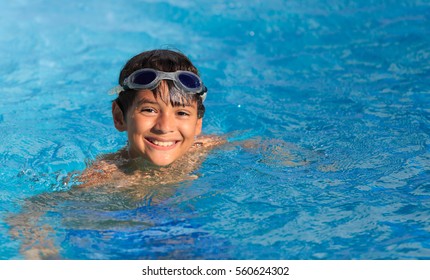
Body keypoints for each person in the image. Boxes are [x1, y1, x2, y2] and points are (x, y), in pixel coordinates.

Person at [78, 49, 224, 187]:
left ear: (198, 123)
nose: (165, 127)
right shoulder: (101, 179)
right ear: (119, 117)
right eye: (149, 110)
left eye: (182, 113)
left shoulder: (203, 148)